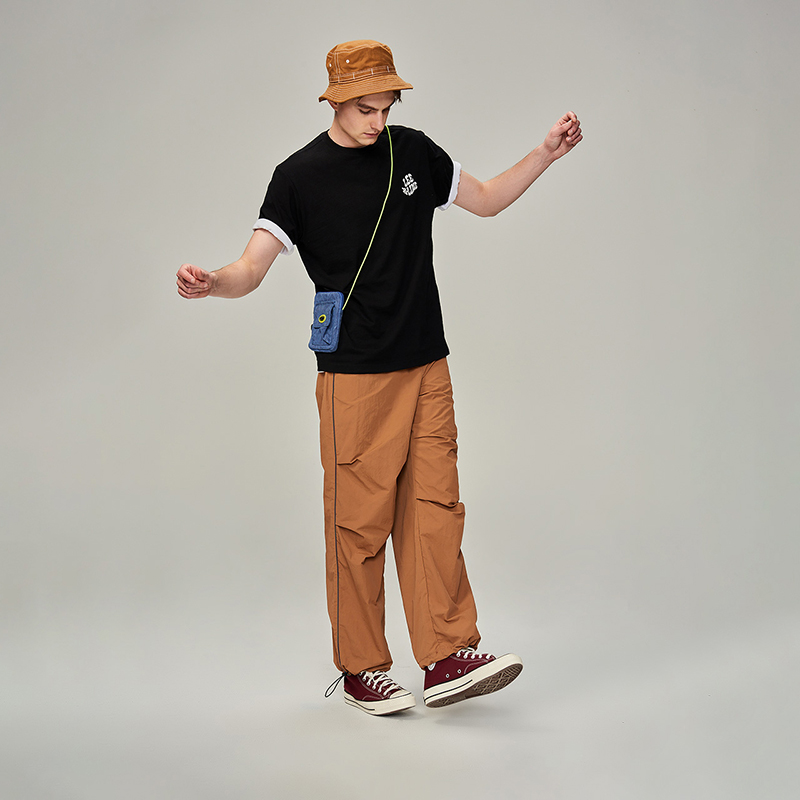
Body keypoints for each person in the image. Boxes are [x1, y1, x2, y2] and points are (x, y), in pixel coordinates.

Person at [177, 39, 582, 716]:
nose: (378, 120)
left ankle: (447, 656)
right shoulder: (297, 177)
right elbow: (251, 268)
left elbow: (486, 199)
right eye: (365, 108)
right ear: (335, 100)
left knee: (436, 510)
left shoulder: (413, 151)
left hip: (427, 364)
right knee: (358, 525)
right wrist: (212, 282)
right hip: (356, 375)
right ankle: (363, 669)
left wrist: (545, 153)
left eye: (386, 107)